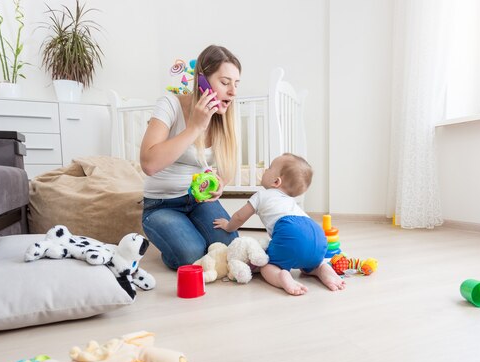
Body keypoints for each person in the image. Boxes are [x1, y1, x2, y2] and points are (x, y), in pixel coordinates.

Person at [140, 45, 241, 269]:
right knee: (191, 255)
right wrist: (194, 128)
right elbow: (148, 164)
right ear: (202, 80)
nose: (233, 91)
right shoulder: (170, 104)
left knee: (231, 247)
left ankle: (189, 230)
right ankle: (173, 237)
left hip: (199, 201)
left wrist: (221, 184)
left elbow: (227, 169)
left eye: (236, 84)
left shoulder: (226, 117)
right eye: (225, 82)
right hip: (161, 205)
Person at [213, 153, 346, 295]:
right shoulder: (290, 201)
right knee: (311, 264)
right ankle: (322, 268)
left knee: (267, 266)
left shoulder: (261, 195)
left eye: (269, 168)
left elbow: (239, 217)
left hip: (292, 232)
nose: (265, 170)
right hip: (317, 234)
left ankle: (281, 277)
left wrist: (228, 226)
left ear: (276, 182)